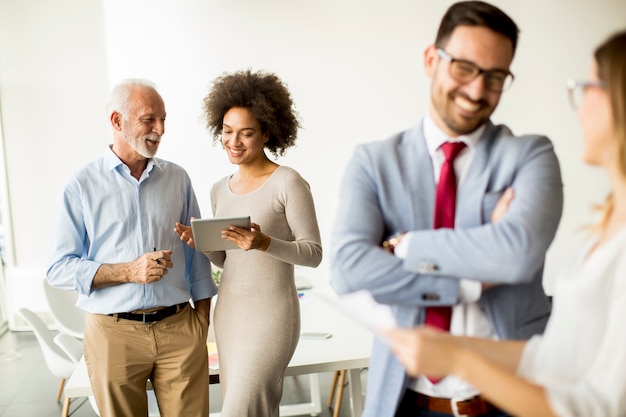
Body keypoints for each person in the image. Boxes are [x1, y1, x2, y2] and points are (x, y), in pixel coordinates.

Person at [330, 2, 564, 417]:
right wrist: (472, 278)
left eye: (494, 77)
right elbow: (349, 267)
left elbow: (516, 255)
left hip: (511, 398)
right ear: (430, 60)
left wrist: (406, 245)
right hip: (407, 400)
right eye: (463, 68)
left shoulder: (530, 155)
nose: (476, 91)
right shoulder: (374, 162)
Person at [384, 28, 626, 417]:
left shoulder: (532, 153)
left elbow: (596, 408)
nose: (578, 105)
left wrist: (405, 246)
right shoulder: (607, 224)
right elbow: (555, 357)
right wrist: (454, 349)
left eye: (589, 86)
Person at [47, 79, 216, 417]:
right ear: (117, 121)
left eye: (164, 119)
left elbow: (196, 252)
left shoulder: (178, 179)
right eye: (149, 119)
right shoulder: (80, 186)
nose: (160, 129)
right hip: (113, 334)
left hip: (180, 329)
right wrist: (129, 270)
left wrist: (201, 320)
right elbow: (58, 268)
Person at [174, 69, 322, 417]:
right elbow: (230, 262)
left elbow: (313, 254)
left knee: (242, 410)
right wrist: (201, 243)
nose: (234, 142)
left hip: (272, 316)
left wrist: (265, 242)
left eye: (246, 133)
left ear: (267, 133)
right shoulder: (218, 189)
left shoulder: (288, 183)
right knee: (248, 410)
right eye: (227, 132)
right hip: (229, 314)